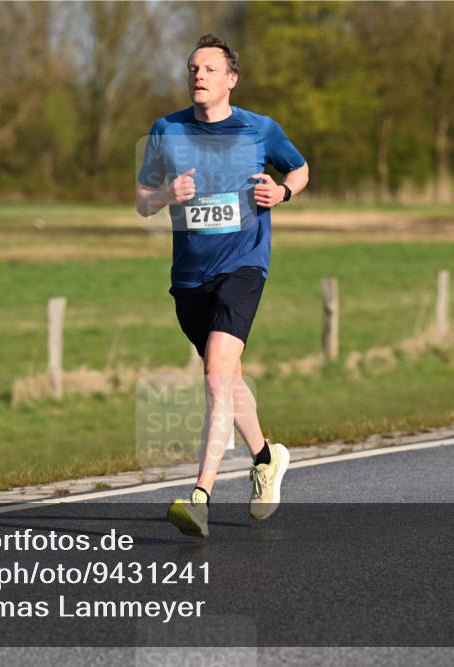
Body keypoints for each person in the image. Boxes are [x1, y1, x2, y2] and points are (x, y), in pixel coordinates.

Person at [135, 34, 309, 538]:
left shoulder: (261, 130)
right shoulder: (166, 131)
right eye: (192, 67)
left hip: (243, 266)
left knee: (215, 376)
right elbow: (143, 202)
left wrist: (281, 191)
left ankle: (201, 495)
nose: (198, 75)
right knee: (229, 379)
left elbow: (298, 169)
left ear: (230, 79)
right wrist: (168, 192)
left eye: (209, 68)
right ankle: (265, 457)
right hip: (189, 277)